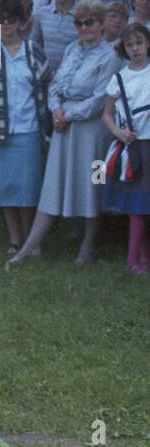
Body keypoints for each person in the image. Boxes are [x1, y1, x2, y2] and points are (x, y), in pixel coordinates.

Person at [11, 0, 121, 265]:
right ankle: (31, 244)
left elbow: (100, 98)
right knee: (54, 184)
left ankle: (88, 244)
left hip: (92, 131)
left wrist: (68, 114)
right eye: (79, 23)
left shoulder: (110, 56)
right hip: (64, 126)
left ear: (102, 23)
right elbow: (57, 84)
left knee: (91, 184)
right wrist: (56, 110)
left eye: (90, 22)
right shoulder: (71, 49)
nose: (84, 28)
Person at [0, 0, 54, 255]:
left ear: (22, 22)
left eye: (12, 19)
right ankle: (15, 240)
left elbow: (45, 84)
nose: (6, 24)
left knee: (27, 188)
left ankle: (31, 241)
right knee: (4, 187)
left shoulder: (33, 51)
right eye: (1, 19)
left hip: (28, 128)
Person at [100, 23, 150, 273]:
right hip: (134, 147)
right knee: (137, 206)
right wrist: (119, 132)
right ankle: (133, 259)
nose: (135, 49)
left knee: (144, 205)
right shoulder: (120, 78)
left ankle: (144, 256)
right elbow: (106, 115)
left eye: (139, 43)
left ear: (148, 43)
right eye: (130, 45)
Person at [32, 0, 81, 70]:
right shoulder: (42, 13)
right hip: (47, 75)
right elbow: (34, 45)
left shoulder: (83, 16)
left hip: (74, 74)